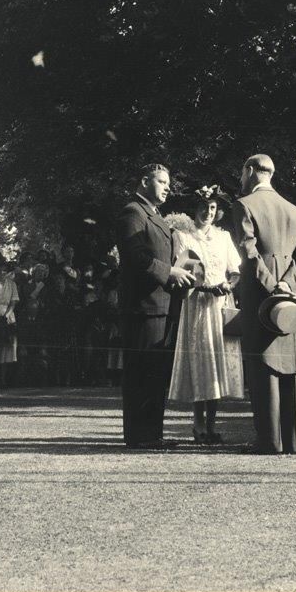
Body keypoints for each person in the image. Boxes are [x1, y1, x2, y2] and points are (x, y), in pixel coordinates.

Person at [232, 154, 296, 455]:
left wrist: (271, 286)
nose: (242, 178)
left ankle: (268, 440)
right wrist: (288, 284)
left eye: (243, 173)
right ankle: (293, 440)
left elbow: (248, 252)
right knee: (292, 361)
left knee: (262, 363)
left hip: (261, 297)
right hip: (292, 297)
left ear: (251, 170)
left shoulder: (244, 205)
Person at [116, 163, 196, 450]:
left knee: (155, 373)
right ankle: (140, 435)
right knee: (142, 373)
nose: (167, 188)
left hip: (161, 305)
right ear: (144, 181)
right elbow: (135, 257)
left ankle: (152, 434)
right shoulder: (133, 212)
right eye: (162, 182)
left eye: (168, 183)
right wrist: (170, 272)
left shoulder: (154, 215)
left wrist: (182, 269)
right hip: (143, 307)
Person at [168, 184, 244, 444]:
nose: (208, 212)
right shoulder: (183, 236)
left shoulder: (223, 237)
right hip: (197, 304)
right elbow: (184, 272)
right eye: (203, 207)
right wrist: (207, 287)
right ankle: (198, 424)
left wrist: (228, 285)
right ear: (195, 208)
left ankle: (212, 425)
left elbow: (235, 271)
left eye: (212, 208)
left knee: (217, 364)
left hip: (220, 305)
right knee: (201, 363)